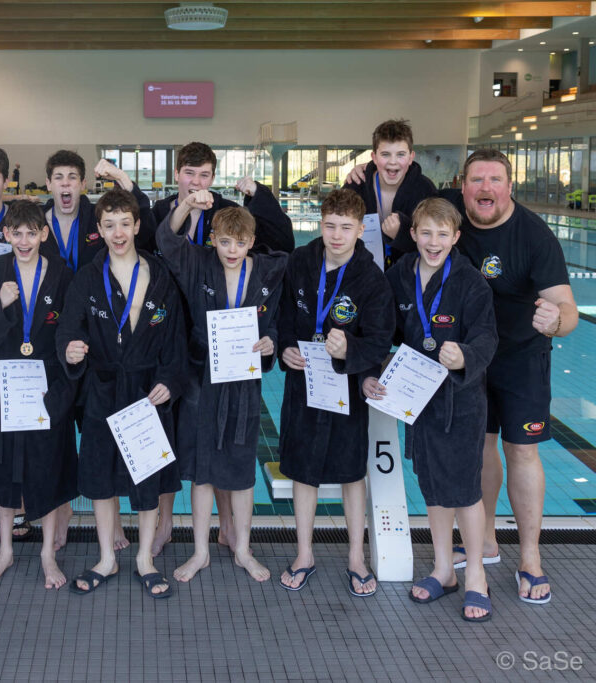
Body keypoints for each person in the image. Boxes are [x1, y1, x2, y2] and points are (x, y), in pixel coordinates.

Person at [441, 149, 578, 604]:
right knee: (479, 446)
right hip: (469, 358)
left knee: (521, 451)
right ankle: (485, 541)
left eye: (494, 180)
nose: (485, 188)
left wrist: (554, 321)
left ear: (509, 186)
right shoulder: (450, 216)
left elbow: (569, 309)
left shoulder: (534, 236)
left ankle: (531, 558)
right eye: (476, 180)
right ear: (462, 187)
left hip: (520, 357)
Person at [366, 197, 498, 621]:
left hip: (460, 401)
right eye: (426, 233)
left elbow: (487, 339)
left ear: (456, 237)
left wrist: (465, 358)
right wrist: (372, 368)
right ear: (413, 234)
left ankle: (475, 574)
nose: (433, 241)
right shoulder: (400, 275)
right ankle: (444, 570)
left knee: (465, 490)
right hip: (417, 399)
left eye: (443, 234)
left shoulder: (470, 283)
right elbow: (381, 327)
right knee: (433, 487)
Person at [57, 188, 185, 598]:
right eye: (108, 225)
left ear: (136, 225)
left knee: (146, 477)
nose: (117, 233)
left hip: (147, 392)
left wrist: (171, 378)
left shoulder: (160, 274)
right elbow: (68, 330)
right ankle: (107, 558)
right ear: (98, 229)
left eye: (124, 224)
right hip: (102, 389)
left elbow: (175, 337)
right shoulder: (88, 277)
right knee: (99, 478)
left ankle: (145, 558)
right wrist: (71, 350)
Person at [156, 196, 287, 583]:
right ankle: (200, 552)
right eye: (225, 242)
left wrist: (271, 342)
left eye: (240, 242)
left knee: (242, 469)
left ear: (251, 241)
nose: (232, 250)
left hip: (243, 385)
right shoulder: (198, 262)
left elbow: (275, 322)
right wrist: (184, 206)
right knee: (201, 472)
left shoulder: (267, 271)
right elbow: (166, 239)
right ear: (213, 239)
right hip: (201, 381)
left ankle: (243, 548)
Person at [276, 188, 394, 597]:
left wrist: (353, 352)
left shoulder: (371, 277)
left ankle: (356, 557)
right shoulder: (300, 261)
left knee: (350, 472)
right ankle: (304, 553)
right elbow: (283, 313)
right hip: (304, 381)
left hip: (345, 388)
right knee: (302, 470)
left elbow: (381, 338)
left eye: (346, 228)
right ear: (319, 223)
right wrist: (287, 345)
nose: (337, 235)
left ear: (361, 229)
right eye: (330, 226)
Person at [0, 201, 78, 588]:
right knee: (4, 469)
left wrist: (69, 361)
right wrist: (0, 306)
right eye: (16, 233)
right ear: (5, 235)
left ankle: (47, 554)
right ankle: (5, 552)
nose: (23, 240)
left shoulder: (64, 276)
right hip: (4, 383)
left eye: (31, 233)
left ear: (43, 235)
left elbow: (71, 331)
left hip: (47, 385)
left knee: (47, 467)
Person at [153, 141, 294, 253]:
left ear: (212, 179)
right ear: (177, 174)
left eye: (204, 175)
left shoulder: (227, 211)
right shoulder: (158, 213)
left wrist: (260, 194)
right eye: (189, 173)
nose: (196, 181)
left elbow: (283, 243)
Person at [342, 119, 437, 269]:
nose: (393, 162)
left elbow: (435, 245)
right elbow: (338, 232)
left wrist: (402, 235)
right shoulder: (356, 186)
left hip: (408, 275)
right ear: (374, 157)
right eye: (385, 154)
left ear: (411, 157)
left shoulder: (424, 190)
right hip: (363, 273)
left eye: (401, 154)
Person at [43, 150, 156, 271]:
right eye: (58, 177)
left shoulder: (99, 217)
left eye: (72, 177)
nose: (65, 183)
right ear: (48, 184)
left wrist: (122, 177)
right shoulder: (35, 222)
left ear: (83, 184)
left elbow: (145, 232)